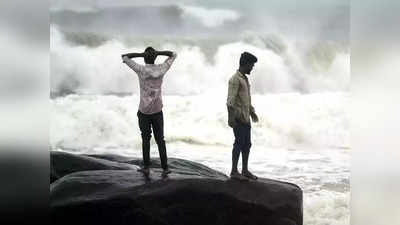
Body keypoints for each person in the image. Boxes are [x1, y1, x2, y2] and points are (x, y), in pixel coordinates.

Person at [121, 47, 177, 177]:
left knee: (145, 139)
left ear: (145, 58)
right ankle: (165, 167)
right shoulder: (161, 69)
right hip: (157, 110)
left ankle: (146, 167)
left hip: (144, 111)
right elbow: (173, 54)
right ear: (155, 57)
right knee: (160, 140)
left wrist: (141, 54)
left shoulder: (141, 70)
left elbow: (125, 57)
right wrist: (158, 53)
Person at [226, 52, 259, 180]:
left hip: (245, 118)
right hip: (238, 118)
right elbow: (230, 101)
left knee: (247, 144)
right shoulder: (235, 79)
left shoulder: (244, 79)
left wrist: (252, 112)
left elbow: (246, 100)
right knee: (239, 143)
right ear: (246, 64)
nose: (252, 68)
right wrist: (231, 118)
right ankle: (234, 171)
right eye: (252, 65)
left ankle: (244, 170)